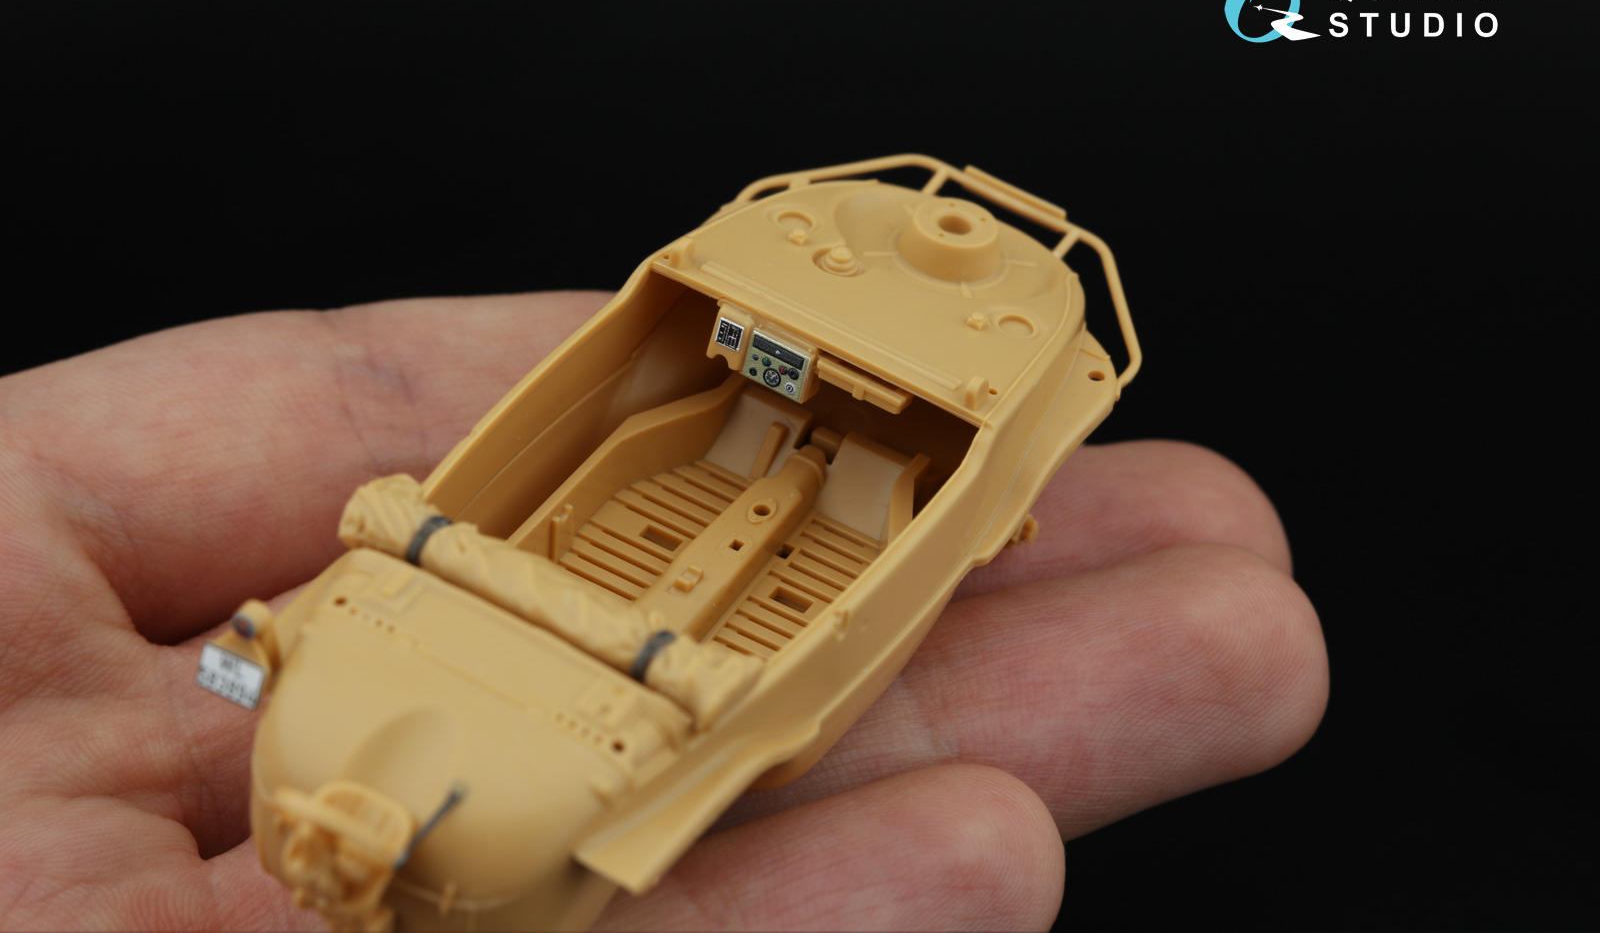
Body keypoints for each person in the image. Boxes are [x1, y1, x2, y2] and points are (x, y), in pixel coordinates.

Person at [0, 292, 1327, 931]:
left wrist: (244, 675)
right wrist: (238, 677)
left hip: (578, 650)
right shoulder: (335, 761)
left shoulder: (316, 739)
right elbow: (240, 666)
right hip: (554, 660)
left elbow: (243, 666)